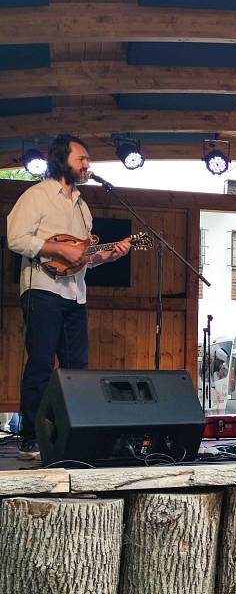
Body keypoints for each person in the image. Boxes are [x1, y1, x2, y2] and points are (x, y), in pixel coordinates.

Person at [7, 134, 131, 460]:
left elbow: (84, 255)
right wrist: (57, 247)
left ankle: (75, 434)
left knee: (78, 368)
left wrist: (112, 255)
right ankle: (30, 437)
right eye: (82, 159)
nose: (87, 165)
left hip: (75, 294)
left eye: (88, 160)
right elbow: (16, 237)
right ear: (63, 159)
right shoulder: (37, 196)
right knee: (41, 363)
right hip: (42, 288)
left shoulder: (83, 207)